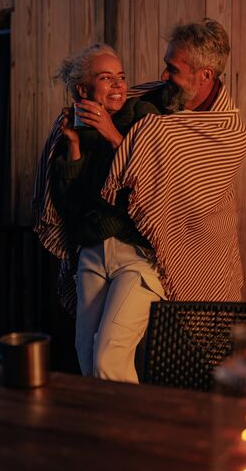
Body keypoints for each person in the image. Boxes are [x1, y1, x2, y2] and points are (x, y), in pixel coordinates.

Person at [34, 43, 163, 383]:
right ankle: (104, 433)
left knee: (110, 355)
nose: (119, 85)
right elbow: (68, 209)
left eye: (121, 77)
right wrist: (74, 146)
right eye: (107, 78)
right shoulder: (73, 132)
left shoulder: (142, 116)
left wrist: (110, 133)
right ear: (83, 89)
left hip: (135, 256)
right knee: (88, 358)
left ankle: (130, 436)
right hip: (91, 254)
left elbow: (155, 178)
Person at [103, 18, 246, 304]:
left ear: (205, 75)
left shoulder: (229, 131)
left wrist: (118, 138)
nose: (163, 75)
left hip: (199, 250)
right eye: (166, 64)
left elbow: (184, 194)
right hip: (129, 251)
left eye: (173, 69)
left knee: (187, 343)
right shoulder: (156, 97)